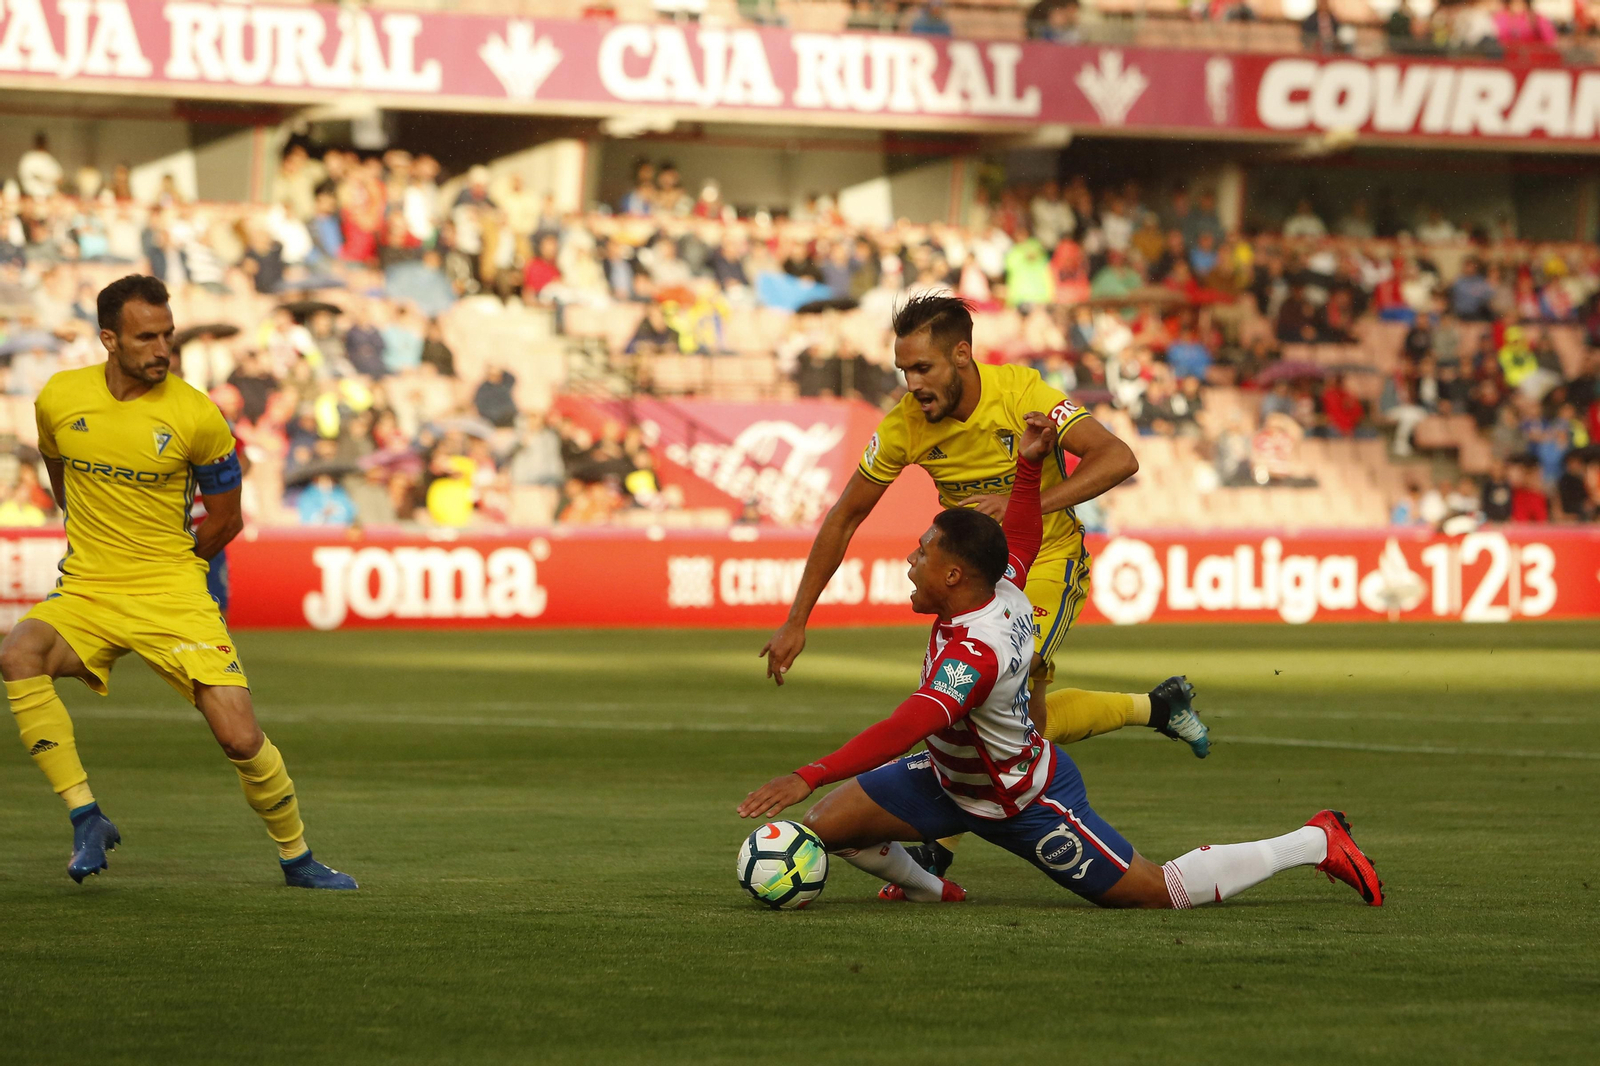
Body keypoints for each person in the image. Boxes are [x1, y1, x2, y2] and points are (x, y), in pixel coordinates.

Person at [738, 413, 1382, 910]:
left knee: (1156, 892)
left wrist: (808, 772)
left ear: (955, 574)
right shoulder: (1003, 588)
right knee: (830, 828)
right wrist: (1028, 467)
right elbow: (1019, 537)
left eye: (921, 555)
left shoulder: (974, 651)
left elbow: (906, 724)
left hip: (1020, 799)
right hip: (946, 779)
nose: (910, 563)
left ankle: (1316, 840)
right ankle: (935, 891)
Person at [759, 294, 1208, 874]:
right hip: (971, 580)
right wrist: (798, 618)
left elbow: (1118, 458)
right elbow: (845, 515)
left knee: (980, 695)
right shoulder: (904, 427)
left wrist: (1027, 501)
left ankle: (937, 852)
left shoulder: (1023, 394)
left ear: (962, 356)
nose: (912, 384)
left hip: (1043, 559)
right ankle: (1156, 707)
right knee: (1023, 723)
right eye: (904, 371)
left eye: (923, 368)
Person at [0, 275, 355, 890]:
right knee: (18, 653)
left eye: (167, 334)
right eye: (146, 337)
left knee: (240, 738)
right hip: (89, 589)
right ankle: (86, 816)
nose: (162, 348)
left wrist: (171, 565)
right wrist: (94, 541)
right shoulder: (60, 397)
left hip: (171, 591)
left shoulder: (197, 415)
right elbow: (58, 471)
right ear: (109, 339)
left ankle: (298, 859)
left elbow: (228, 519)